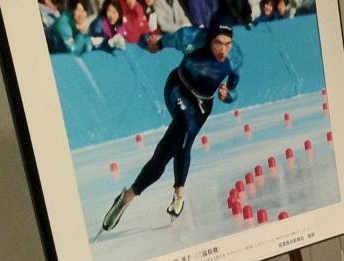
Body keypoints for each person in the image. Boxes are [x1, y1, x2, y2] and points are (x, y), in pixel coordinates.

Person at [101, 16, 241, 229]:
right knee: (183, 128)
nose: (223, 50)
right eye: (218, 43)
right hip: (178, 88)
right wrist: (155, 45)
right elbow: (164, 41)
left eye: (227, 44)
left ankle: (138, 195)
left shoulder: (235, 58)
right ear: (209, 38)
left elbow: (234, 91)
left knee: (182, 143)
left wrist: (227, 95)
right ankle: (151, 194)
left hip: (202, 105)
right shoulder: (190, 38)